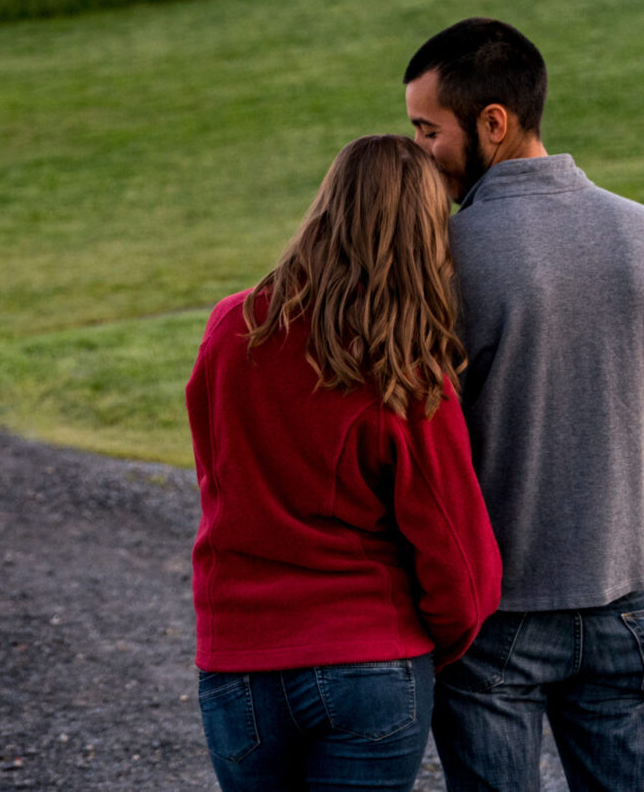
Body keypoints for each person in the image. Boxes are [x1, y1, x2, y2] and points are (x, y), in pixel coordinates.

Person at [403, 17, 644, 792]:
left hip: (494, 624)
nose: (419, 154)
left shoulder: (445, 257)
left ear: (493, 123)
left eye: (427, 131)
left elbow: (421, 450)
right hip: (631, 608)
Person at [188, 134, 502, 792]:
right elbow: (458, 558)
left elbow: (218, 474)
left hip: (240, 659)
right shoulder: (406, 371)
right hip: (372, 658)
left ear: (327, 206)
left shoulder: (229, 330)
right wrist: (426, 647)